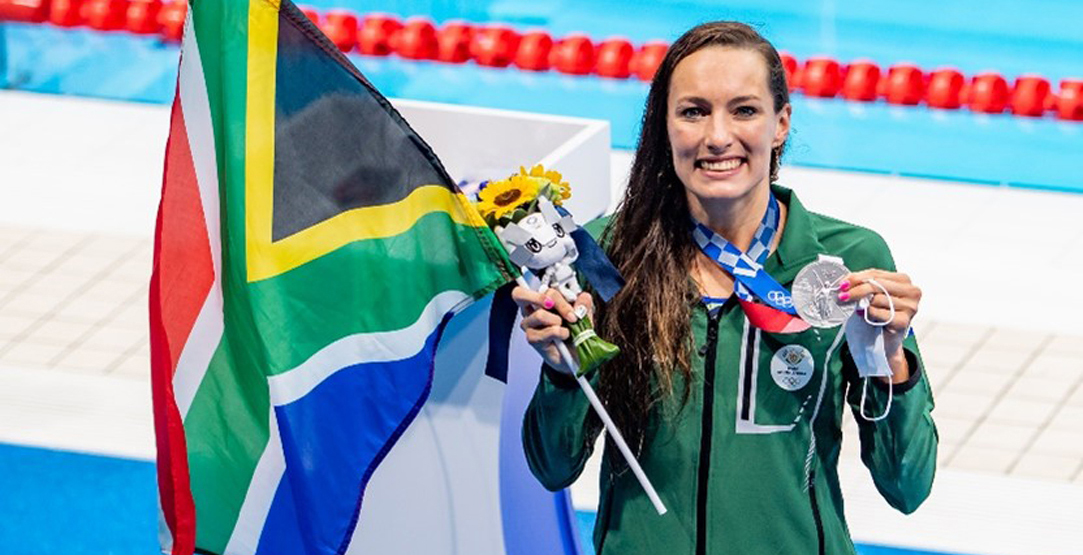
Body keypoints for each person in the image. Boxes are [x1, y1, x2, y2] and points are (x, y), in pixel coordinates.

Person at [513, 21, 937, 555]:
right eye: (693, 111)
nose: (717, 136)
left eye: (744, 110)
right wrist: (562, 371)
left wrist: (890, 361)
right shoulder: (605, 258)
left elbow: (908, 487)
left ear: (780, 123)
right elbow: (552, 468)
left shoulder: (846, 262)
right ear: (663, 126)